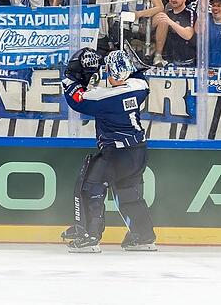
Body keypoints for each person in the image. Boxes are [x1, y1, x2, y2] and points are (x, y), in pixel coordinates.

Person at [60, 48, 156, 253]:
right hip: (138, 151)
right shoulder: (139, 87)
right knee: (129, 194)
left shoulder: (105, 98)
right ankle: (144, 236)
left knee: (90, 187)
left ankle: (89, 235)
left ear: (110, 73)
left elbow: (77, 100)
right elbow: (139, 75)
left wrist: (71, 77)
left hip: (117, 154)